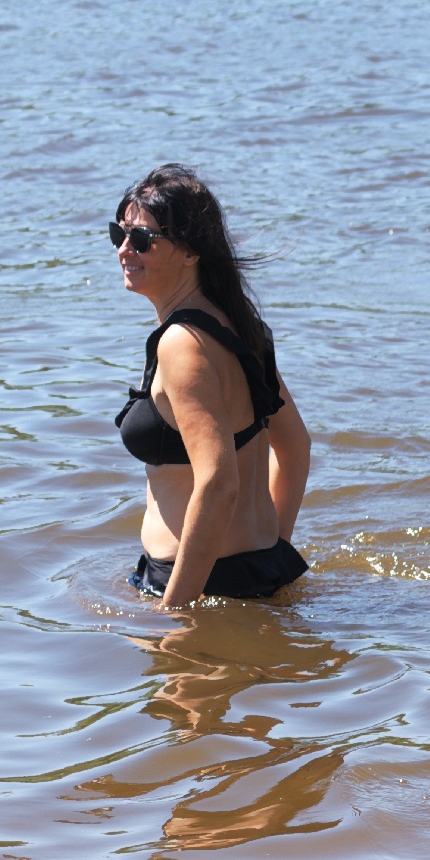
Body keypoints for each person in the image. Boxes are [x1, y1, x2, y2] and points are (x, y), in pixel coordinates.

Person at [112, 163, 310, 610]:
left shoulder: (182, 344)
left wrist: (173, 612)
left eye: (142, 239)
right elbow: (296, 446)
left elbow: (219, 482)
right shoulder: (240, 325)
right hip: (252, 573)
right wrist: (273, 554)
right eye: (118, 234)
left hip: (200, 587)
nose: (125, 249)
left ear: (190, 252)